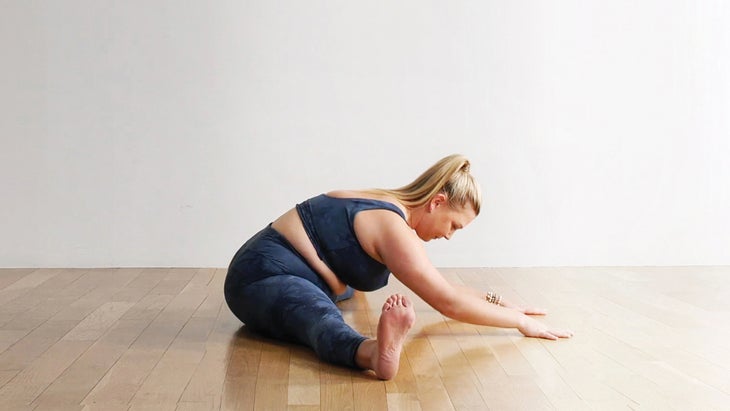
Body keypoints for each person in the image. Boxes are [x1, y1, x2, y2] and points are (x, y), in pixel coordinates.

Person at [224, 154, 573, 380]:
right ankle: (371, 352)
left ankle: (332, 291)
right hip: (260, 277)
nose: (450, 236)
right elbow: (446, 301)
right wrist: (520, 323)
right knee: (319, 315)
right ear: (437, 203)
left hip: (286, 267)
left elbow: (441, 287)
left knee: (339, 292)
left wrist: (498, 302)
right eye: (454, 226)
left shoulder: (383, 201)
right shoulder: (394, 228)